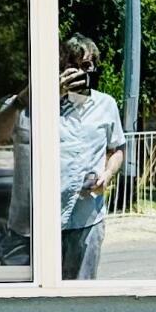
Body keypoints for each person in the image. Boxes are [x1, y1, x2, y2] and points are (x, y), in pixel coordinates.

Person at [51, 36, 128, 278]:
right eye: (72, 65)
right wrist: (54, 92)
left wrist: (107, 173)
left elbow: (117, 149)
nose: (81, 72)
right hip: (47, 218)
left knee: (83, 291)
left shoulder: (107, 104)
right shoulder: (44, 104)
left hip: (88, 216)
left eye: (87, 66)